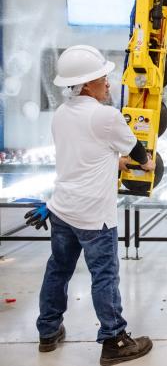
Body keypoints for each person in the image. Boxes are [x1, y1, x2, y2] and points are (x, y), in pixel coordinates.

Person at [24, 45, 155, 365]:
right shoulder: (105, 116)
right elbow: (138, 150)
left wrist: (115, 162)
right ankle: (114, 340)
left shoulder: (61, 113)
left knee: (58, 270)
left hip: (62, 210)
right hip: (95, 216)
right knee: (105, 276)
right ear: (85, 85)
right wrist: (146, 163)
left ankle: (48, 330)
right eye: (102, 78)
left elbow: (86, 154)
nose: (108, 83)